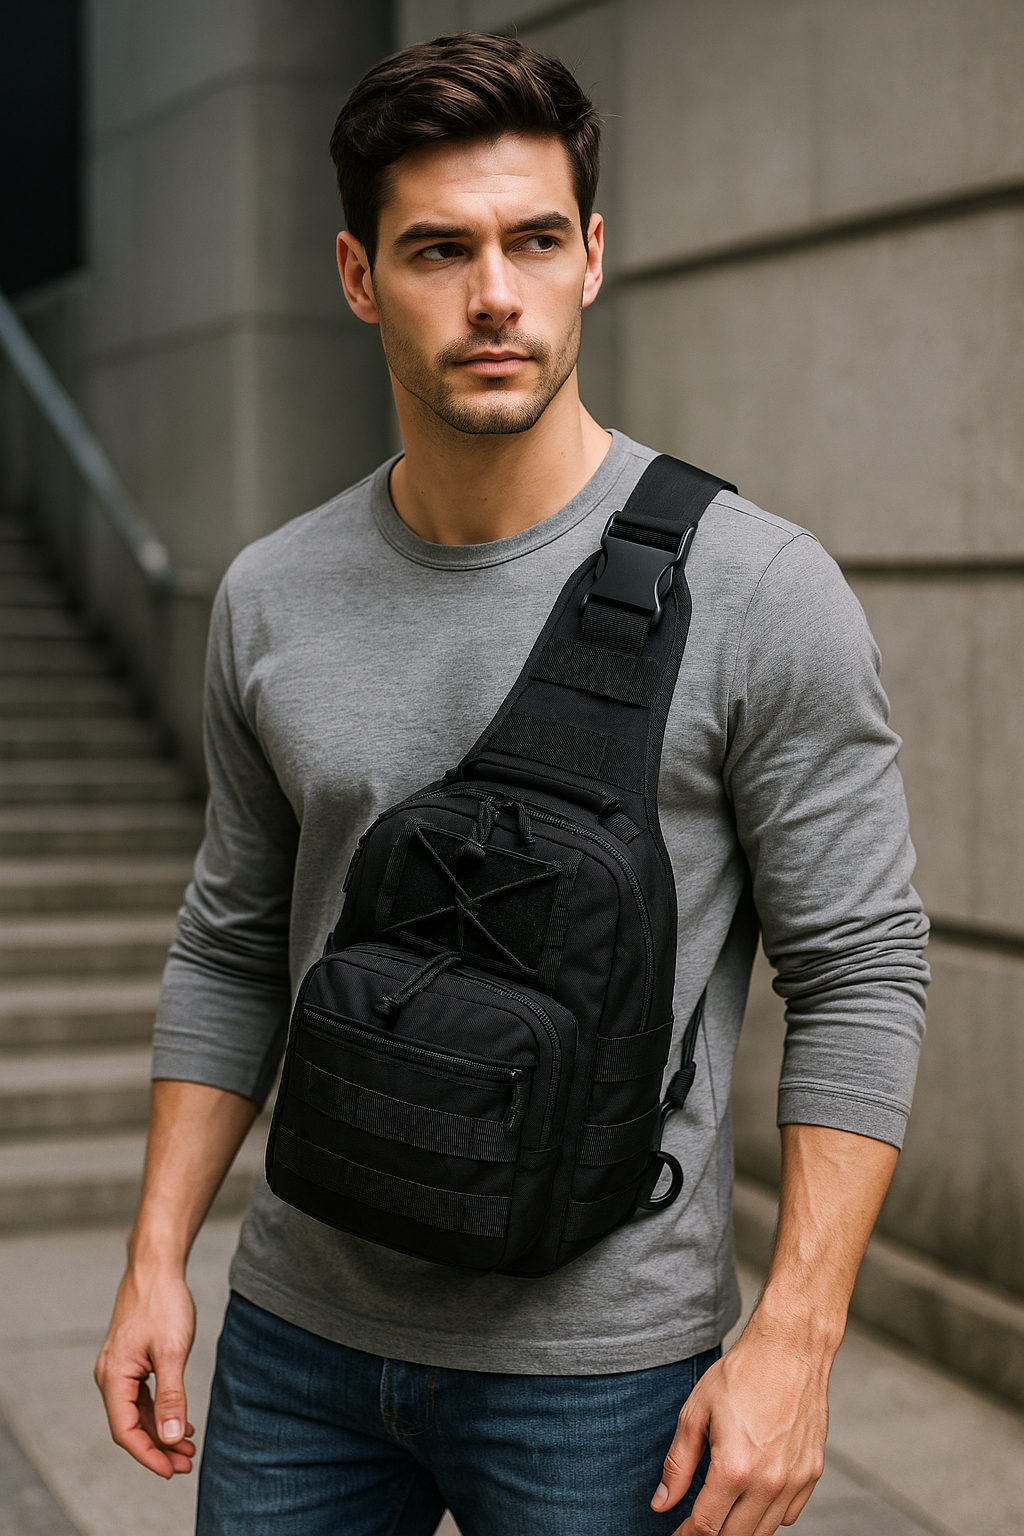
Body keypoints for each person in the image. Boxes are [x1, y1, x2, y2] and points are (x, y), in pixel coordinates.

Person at [94, 31, 929, 1536]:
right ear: (357, 276)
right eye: (439, 249)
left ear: (593, 255)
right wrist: (157, 1254)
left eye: (535, 239)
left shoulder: (760, 591)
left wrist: (796, 1342)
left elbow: (863, 969)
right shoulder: (272, 595)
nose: (495, 294)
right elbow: (228, 940)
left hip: (606, 1376)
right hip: (298, 1341)